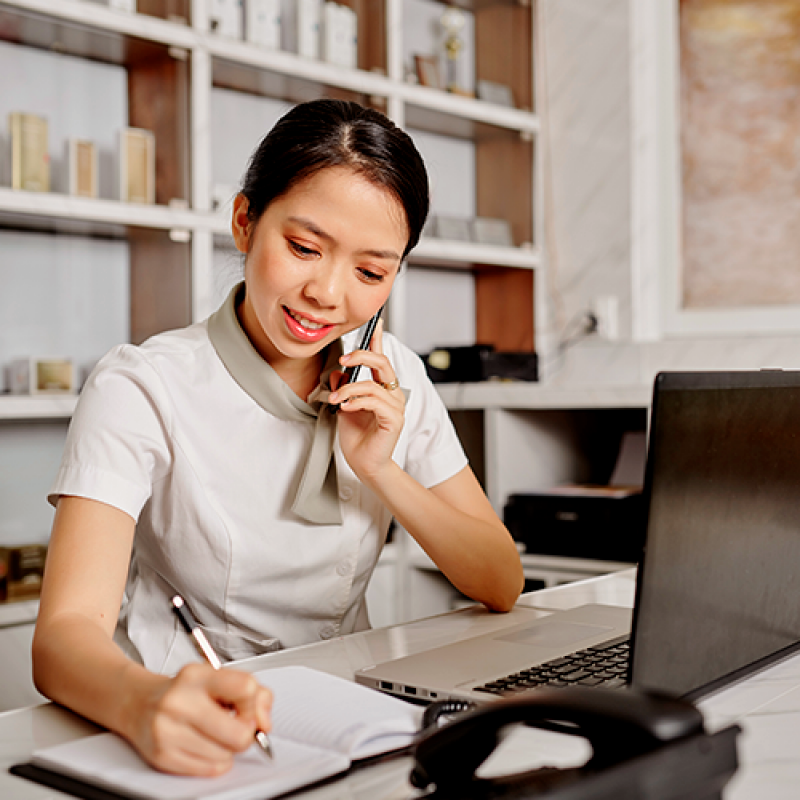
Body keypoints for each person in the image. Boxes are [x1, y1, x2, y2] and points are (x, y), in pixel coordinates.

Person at [32, 99, 524, 777]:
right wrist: (146, 705)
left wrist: (382, 469)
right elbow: (62, 637)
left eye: (371, 272)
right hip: (189, 722)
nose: (327, 292)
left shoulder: (393, 378)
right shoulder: (141, 384)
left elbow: (500, 579)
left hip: (350, 721)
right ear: (244, 222)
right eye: (303, 248)